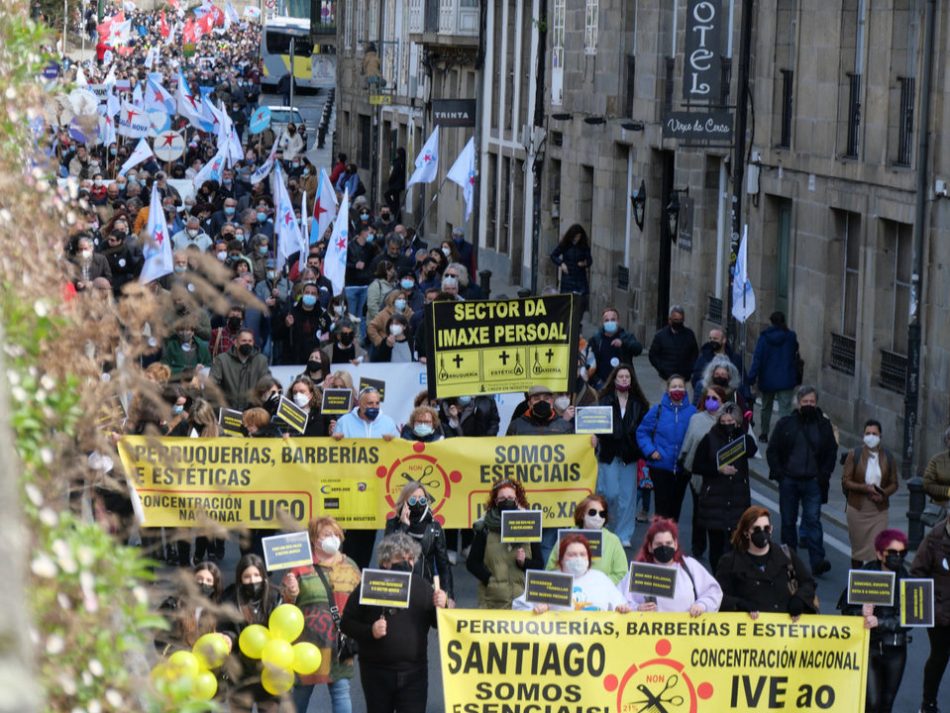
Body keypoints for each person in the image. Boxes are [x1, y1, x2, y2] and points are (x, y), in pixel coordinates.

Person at [341, 534, 448, 713]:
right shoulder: (369, 585)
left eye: (410, 558)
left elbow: (439, 625)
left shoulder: (422, 586)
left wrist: (442, 605)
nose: (407, 562)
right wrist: (370, 631)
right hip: (376, 672)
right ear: (386, 562)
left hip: (414, 673)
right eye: (400, 558)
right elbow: (346, 623)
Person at [281, 517, 361, 713]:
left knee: (341, 691)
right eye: (326, 535)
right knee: (300, 692)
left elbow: (361, 602)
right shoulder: (299, 568)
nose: (332, 538)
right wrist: (290, 593)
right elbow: (285, 608)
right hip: (307, 644)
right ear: (314, 539)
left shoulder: (350, 566)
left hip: (339, 644)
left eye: (335, 534)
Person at [766, 385, 837, 576]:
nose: (808, 405)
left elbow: (831, 452)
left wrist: (824, 474)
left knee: (813, 521)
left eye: (811, 402)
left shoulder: (823, 426)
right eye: (805, 402)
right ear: (798, 403)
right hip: (789, 480)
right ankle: (790, 560)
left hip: (813, 482)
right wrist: (780, 474)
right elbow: (772, 450)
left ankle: (817, 561)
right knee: (788, 521)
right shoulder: (785, 424)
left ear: (816, 403)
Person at [837, 529, 911, 713]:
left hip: (895, 649)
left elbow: (910, 620)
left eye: (902, 553)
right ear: (879, 553)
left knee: (887, 703)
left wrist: (880, 622)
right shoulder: (864, 575)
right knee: (871, 703)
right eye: (893, 553)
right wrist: (860, 612)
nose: (898, 557)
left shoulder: (908, 580)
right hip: (868, 649)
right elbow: (846, 610)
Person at [333, 386, 399, 569]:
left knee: (368, 539)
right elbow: (332, 455)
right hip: (350, 489)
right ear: (359, 404)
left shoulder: (388, 423)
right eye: (369, 403)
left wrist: (393, 443)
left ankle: (360, 575)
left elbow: (401, 452)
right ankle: (347, 574)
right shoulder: (344, 422)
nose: (374, 406)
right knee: (351, 538)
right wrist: (335, 440)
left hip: (375, 490)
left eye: (377, 403)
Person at [716, 506, 817, 618]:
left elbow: (808, 583)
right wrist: (740, 604)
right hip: (750, 629)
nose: (763, 533)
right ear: (746, 533)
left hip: (784, 629)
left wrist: (799, 599)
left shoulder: (786, 554)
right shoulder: (730, 561)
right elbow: (719, 596)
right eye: (757, 529)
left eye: (767, 528)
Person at [691, 403, 758, 571]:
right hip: (714, 499)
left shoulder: (742, 439)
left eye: (731, 421)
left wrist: (741, 431)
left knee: (735, 545)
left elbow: (752, 449)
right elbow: (697, 466)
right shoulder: (709, 438)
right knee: (716, 546)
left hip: (737, 499)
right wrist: (717, 469)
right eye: (724, 420)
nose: (727, 423)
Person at [219, 554, 283, 713]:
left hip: (269, 672)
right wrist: (228, 638)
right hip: (240, 673)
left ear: (263, 575)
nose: (252, 580)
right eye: (247, 576)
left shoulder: (275, 597)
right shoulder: (230, 598)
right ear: (240, 578)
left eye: (256, 575)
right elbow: (224, 626)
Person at [619, 517, 723, 614]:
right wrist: (636, 608)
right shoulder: (641, 572)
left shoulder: (689, 565)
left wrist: (702, 605)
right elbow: (619, 599)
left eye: (668, 543)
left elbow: (713, 591)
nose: (664, 548)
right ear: (650, 547)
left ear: (675, 544)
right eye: (659, 544)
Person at [595, 364, 650, 547]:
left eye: (627, 377)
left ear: (631, 380)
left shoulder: (639, 404)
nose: (624, 379)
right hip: (609, 453)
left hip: (629, 455)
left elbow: (644, 429)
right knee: (610, 493)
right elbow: (596, 424)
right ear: (615, 379)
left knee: (628, 497)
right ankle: (607, 529)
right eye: (621, 376)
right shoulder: (604, 400)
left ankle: (624, 534)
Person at [467, 479, 544, 608]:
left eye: (510, 497)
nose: (506, 501)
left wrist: (524, 563)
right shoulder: (485, 528)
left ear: (517, 500)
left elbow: (539, 564)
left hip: (521, 600)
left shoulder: (530, 526)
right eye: (502, 498)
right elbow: (472, 563)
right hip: (491, 600)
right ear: (496, 501)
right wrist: (491, 580)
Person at [635, 375, 696, 522]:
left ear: (685, 389)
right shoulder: (657, 410)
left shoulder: (693, 412)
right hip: (660, 467)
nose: (677, 389)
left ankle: (671, 541)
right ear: (668, 390)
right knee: (662, 510)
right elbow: (642, 432)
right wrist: (651, 451)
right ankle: (659, 541)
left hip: (682, 469)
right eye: (674, 386)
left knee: (675, 510)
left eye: (680, 386)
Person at [516, 534, 629, 612]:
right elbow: (519, 607)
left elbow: (621, 605)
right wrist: (536, 611)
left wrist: (622, 609)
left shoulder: (601, 579)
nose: (578, 558)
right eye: (572, 554)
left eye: (582, 554)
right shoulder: (548, 580)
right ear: (561, 558)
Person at [677, 385, 727, 559]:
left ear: (722, 402)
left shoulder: (727, 420)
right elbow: (688, 443)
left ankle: (720, 547)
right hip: (698, 473)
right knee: (699, 511)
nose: (711, 402)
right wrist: (684, 462)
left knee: (718, 513)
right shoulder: (696, 419)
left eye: (715, 399)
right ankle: (698, 546)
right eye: (708, 398)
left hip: (721, 476)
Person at [842, 420, 899, 568]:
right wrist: (866, 488)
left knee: (879, 549)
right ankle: (856, 580)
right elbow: (846, 481)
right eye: (868, 433)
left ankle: (876, 580)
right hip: (857, 508)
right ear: (863, 435)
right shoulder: (854, 454)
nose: (871, 436)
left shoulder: (888, 456)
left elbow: (894, 483)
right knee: (858, 551)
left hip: (879, 509)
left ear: (880, 436)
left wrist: (883, 494)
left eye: (874, 433)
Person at [385, 481, 454, 601]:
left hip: (425, 589)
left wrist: (449, 596)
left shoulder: (434, 526)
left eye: (422, 500)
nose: (417, 503)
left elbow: (443, 565)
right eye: (412, 500)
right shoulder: (393, 524)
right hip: (399, 589)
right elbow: (388, 555)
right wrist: (404, 526)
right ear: (405, 502)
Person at [910, 516, 950, 713]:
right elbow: (917, 573)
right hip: (940, 612)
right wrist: (931, 606)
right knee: (939, 656)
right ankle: (928, 704)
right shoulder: (935, 537)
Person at [544, 494, 629, 584]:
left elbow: (622, 573)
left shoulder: (613, 540)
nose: (597, 517)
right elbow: (551, 569)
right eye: (592, 512)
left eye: (602, 514)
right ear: (582, 514)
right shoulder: (566, 536)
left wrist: (600, 585)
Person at [747, 311, 800, 442]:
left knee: (766, 407)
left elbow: (757, 359)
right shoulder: (791, 337)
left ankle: (764, 433)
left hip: (767, 378)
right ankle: (784, 435)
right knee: (785, 409)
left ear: (771, 322)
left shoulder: (764, 338)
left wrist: (751, 378)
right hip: (786, 377)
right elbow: (795, 351)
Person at [155, 562, 226, 654]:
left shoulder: (218, 609)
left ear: (215, 586)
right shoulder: (174, 605)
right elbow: (160, 638)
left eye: (209, 581)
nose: (203, 583)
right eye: (199, 579)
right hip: (179, 660)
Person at [208, 329, 271, 411]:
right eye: (244, 341)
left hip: (254, 412)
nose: (247, 344)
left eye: (250, 341)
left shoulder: (261, 360)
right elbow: (211, 383)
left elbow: (267, 383)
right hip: (227, 410)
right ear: (235, 342)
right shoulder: (222, 360)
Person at [585, 308, 643, 390]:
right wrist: (597, 382)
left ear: (618, 321)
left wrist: (623, 343)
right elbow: (589, 362)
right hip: (602, 385)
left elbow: (638, 349)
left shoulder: (626, 336)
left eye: (613, 319)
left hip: (623, 383)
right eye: (607, 320)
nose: (610, 322)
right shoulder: (596, 340)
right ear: (603, 323)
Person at [549, 223, 592, 317]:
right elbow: (553, 255)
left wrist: (584, 263)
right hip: (567, 279)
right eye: (575, 237)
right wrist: (561, 264)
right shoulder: (565, 245)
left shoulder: (584, 247)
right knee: (567, 306)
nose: (577, 239)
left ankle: (577, 326)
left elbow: (589, 261)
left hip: (580, 279)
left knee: (580, 307)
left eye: (579, 237)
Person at [648, 305, 699, 382]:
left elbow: (695, 354)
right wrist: (662, 369)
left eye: (680, 320)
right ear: (670, 319)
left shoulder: (689, 335)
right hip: (666, 378)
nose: (678, 322)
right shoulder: (661, 335)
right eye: (675, 319)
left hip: (685, 378)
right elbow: (653, 355)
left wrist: (690, 369)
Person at [691, 327, 743, 397]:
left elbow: (741, 379)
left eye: (715, 339)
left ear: (724, 340)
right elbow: (696, 378)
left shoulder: (735, 359)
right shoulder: (703, 358)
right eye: (710, 338)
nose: (712, 341)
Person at [505, 385, 573, 435]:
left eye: (546, 398)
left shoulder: (565, 427)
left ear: (552, 402)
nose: (542, 402)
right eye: (537, 399)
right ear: (529, 404)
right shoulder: (516, 427)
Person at [922, 426, 950, 509]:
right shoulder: (937, 460)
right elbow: (927, 485)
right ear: (946, 441)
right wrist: (948, 491)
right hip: (941, 508)